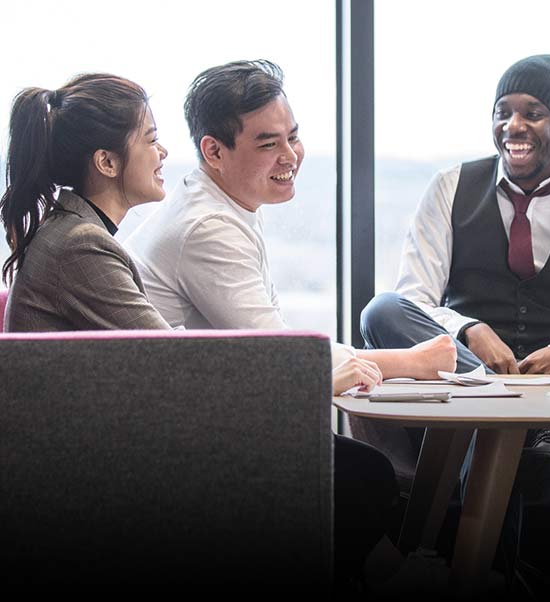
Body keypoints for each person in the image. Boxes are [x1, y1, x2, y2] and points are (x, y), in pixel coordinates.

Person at [123, 60, 457, 590]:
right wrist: (412, 363)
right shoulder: (207, 226)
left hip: (206, 412)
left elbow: (275, 345)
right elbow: (285, 354)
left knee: (363, 473)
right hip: (184, 437)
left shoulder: (221, 205)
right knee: (366, 478)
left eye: (294, 138)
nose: (290, 157)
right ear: (213, 150)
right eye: (267, 144)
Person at [359, 54, 550, 585]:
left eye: (532, 112)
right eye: (502, 111)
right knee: (381, 310)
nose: (512, 126)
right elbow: (414, 299)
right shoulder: (449, 187)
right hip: (463, 380)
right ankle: (508, 426)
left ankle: (487, 564)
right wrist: (466, 328)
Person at [1, 73, 171, 330]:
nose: (162, 152)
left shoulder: (67, 230)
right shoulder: (79, 245)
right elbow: (173, 352)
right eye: (151, 140)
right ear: (107, 162)